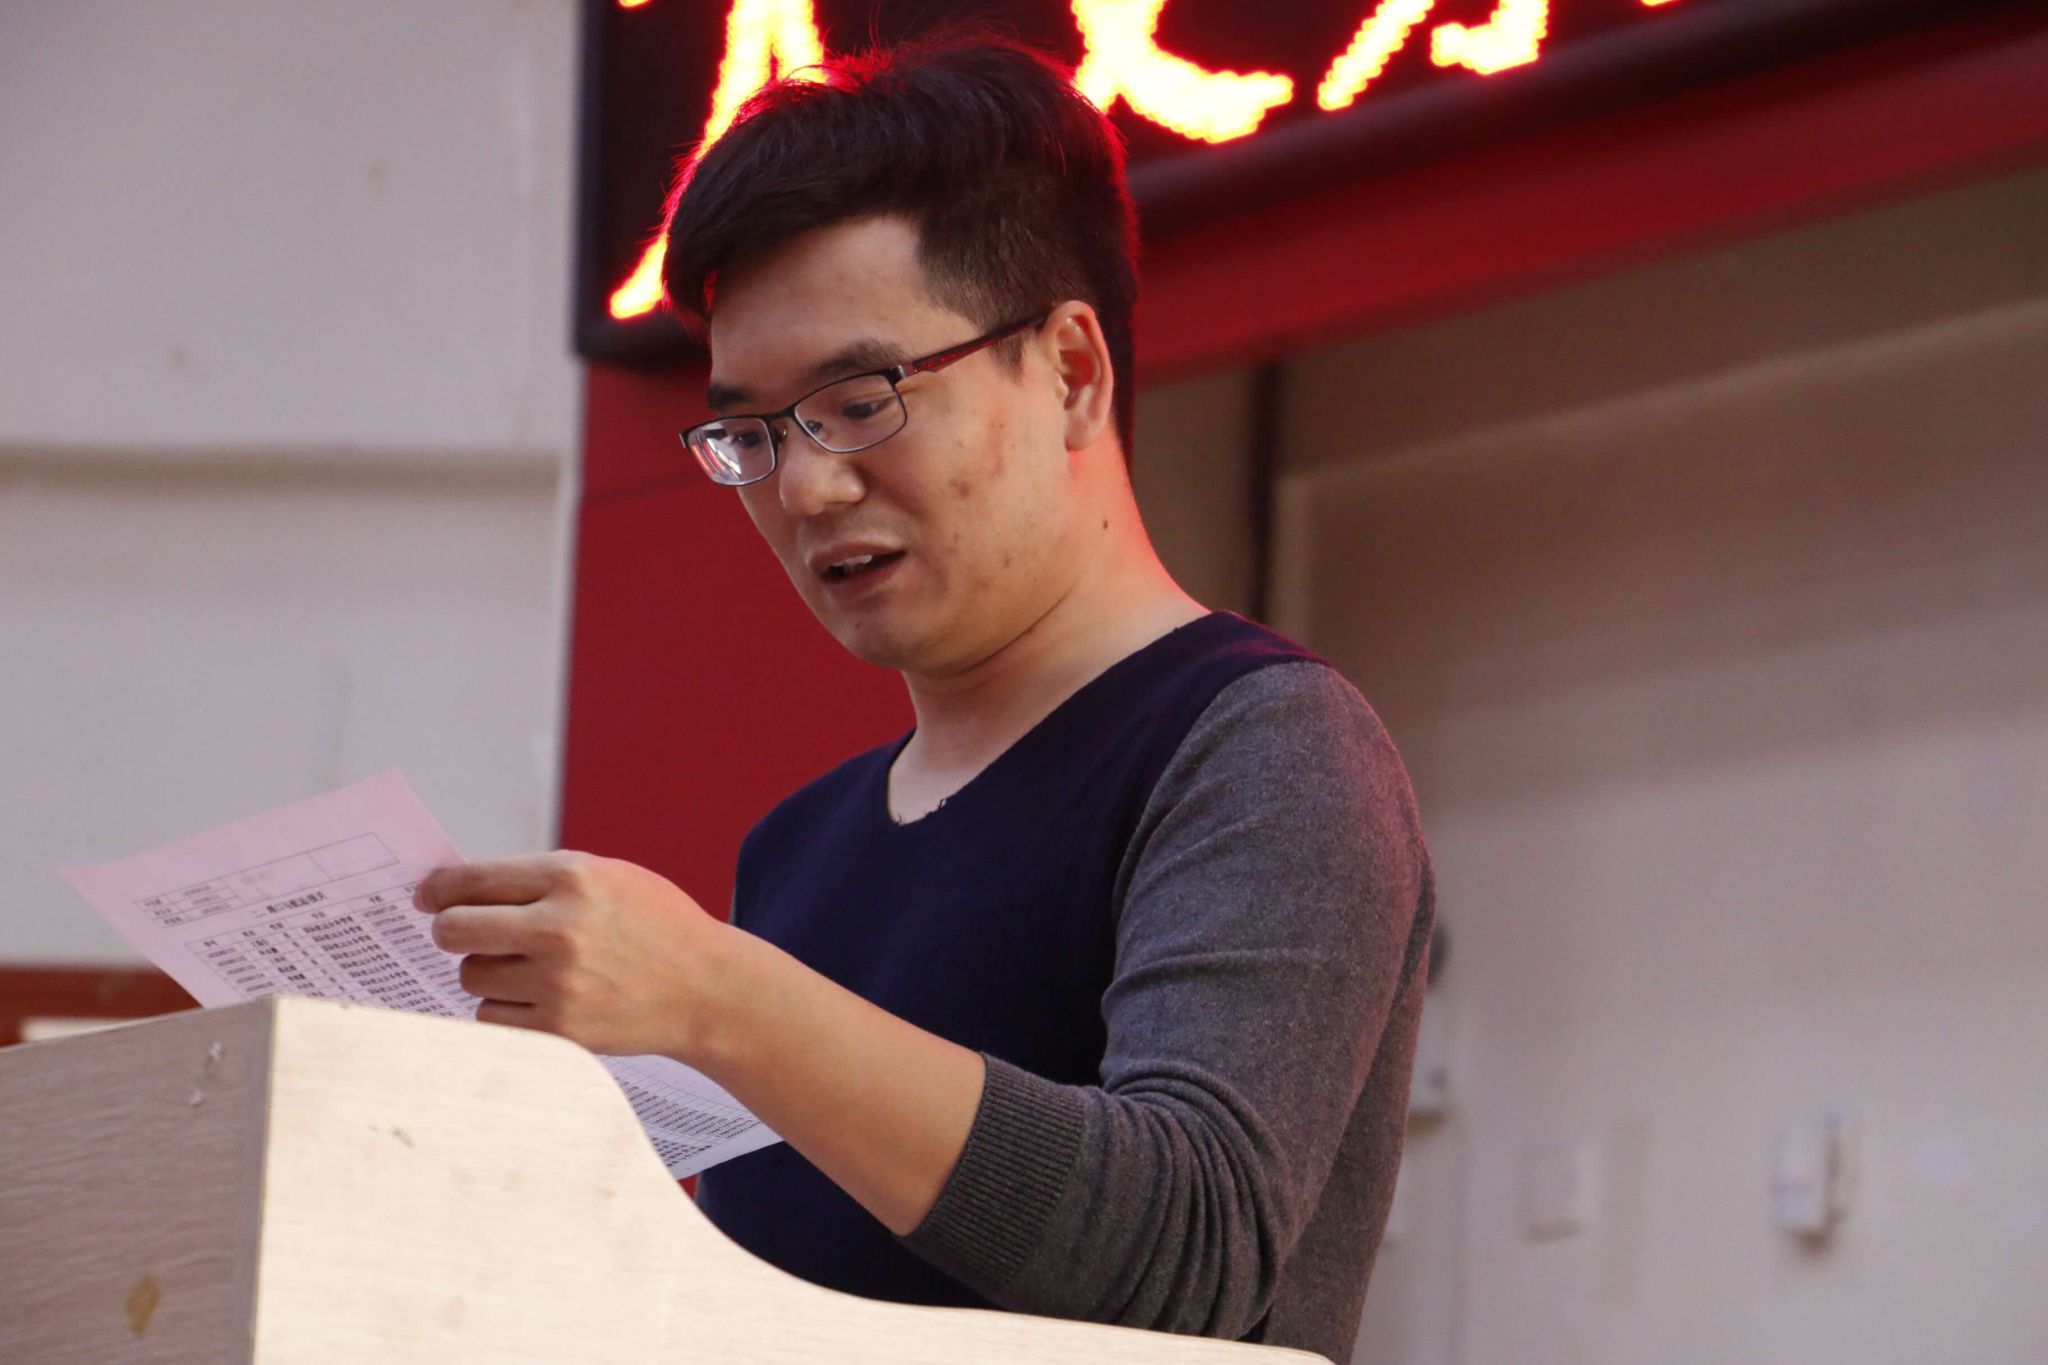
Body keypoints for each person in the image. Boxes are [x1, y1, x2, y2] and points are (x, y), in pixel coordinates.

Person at [414, 30, 1433, 1365]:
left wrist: (718, 996)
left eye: (859, 400)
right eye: (753, 433)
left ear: (1070, 372)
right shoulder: (800, 846)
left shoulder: (1261, 743)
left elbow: (1188, 1254)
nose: (804, 487)